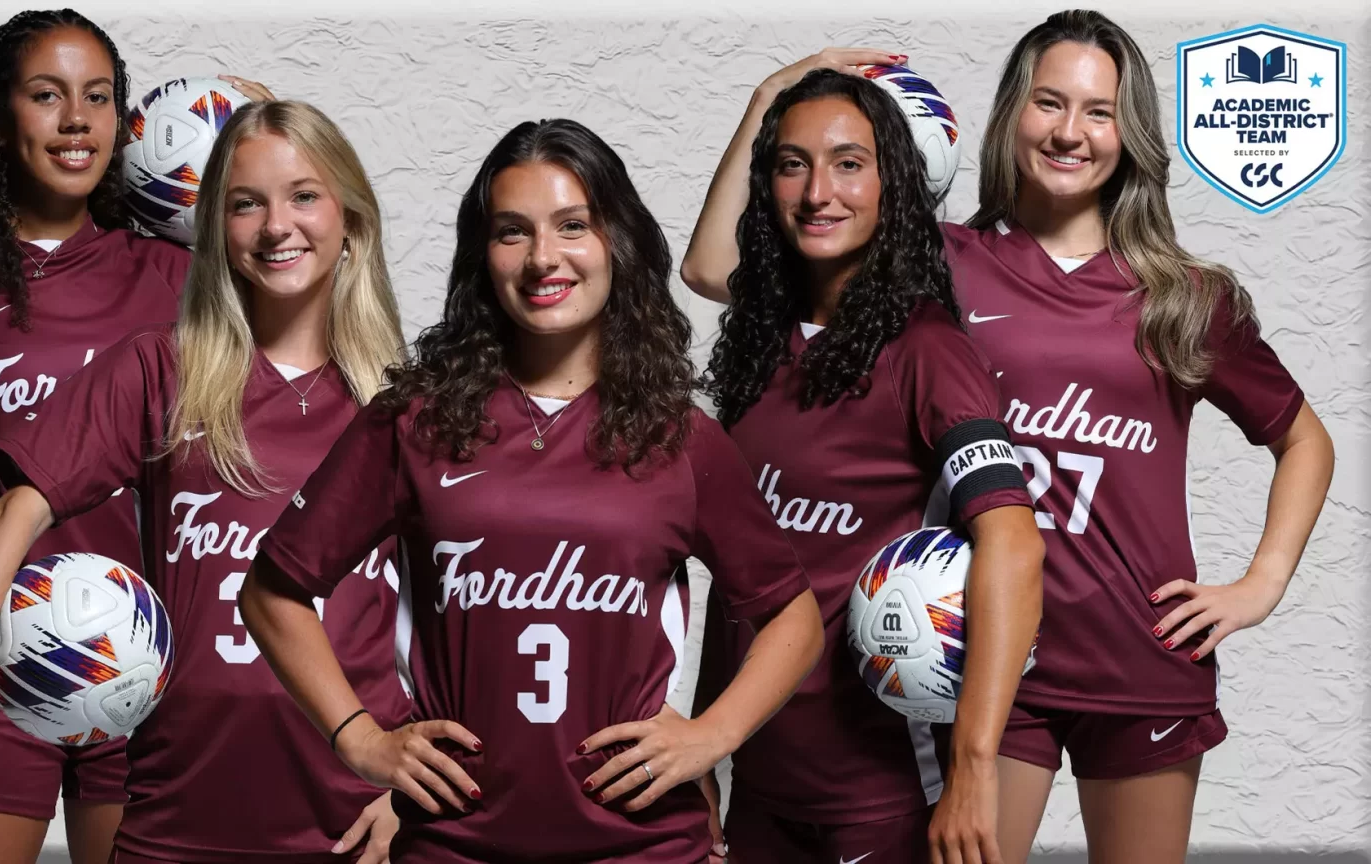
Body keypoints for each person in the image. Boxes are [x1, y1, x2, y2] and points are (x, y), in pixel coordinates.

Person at [682, 13, 1335, 864]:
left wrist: (1260, 585)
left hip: (1138, 661)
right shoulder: (936, 266)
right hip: (984, 667)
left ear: (1129, 132)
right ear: (1010, 115)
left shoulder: (1185, 296)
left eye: (1099, 112)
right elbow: (712, 271)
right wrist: (771, 99)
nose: (1070, 131)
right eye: (1048, 102)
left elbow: (1305, 441)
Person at [237, 118, 825, 863]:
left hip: (640, 849)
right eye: (513, 232)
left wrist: (711, 736)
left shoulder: (679, 437)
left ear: (617, 240)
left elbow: (793, 617)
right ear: (483, 256)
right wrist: (360, 741)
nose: (544, 257)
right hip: (455, 847)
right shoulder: (415, 423)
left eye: (573, 225)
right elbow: (272, 590)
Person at [0, 99, 410, 863]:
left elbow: (452, 611)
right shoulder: (162, 369)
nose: (278, 225)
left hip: (351, 821)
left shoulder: (404, 402)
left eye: (304, 195)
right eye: (245, 204)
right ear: (216, 229)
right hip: (176, 819)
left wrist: (406, 783)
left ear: (352, 216)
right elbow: (21, 507)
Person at [0, 9, 271, 862]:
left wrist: (255, 131)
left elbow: (309, 269)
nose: (77, 119)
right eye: (47, 95)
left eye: (99, 98)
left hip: (156, 660)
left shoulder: (178, 280)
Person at [685, 66, 1043, 864]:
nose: (819, 191)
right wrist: (707, 743)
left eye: (849, 163)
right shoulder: (756, 346)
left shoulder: (927, 351)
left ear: (893, 186)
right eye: (792, 163)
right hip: (762, 781)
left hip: (884, 794)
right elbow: (742, 585)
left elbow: (1015, 546)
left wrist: (976, 767)